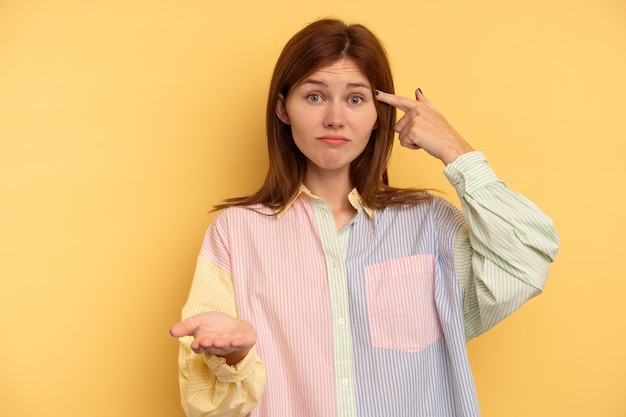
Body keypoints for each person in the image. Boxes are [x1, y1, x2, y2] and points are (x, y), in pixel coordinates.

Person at [169, 18, 560, 417]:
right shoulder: (235, 234)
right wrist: (233, 357)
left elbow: (524, 263)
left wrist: (455, 150)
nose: (335, 118)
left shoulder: (431, 225)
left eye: (355, 99)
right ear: (283, 108)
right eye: (315, 97)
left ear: (379, 114)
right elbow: (205, 404)